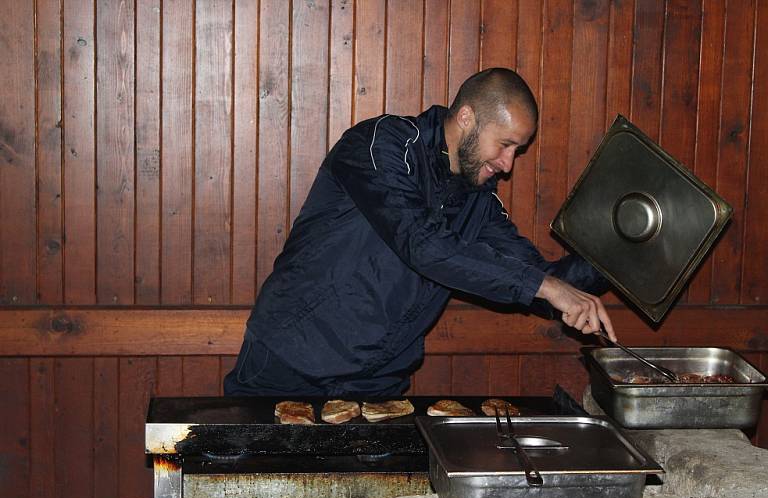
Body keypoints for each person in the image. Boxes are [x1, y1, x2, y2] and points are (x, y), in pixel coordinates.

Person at [224, 67, 615, 398]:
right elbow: (422, 245)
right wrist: (546, 287)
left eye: (519, 149)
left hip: (377, 382)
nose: (508, 163)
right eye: (506, 144)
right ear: (467, 118)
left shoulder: (479, 201)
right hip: (290, 363)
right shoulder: (381, 145)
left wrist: (623, 255)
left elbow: (539, 281)